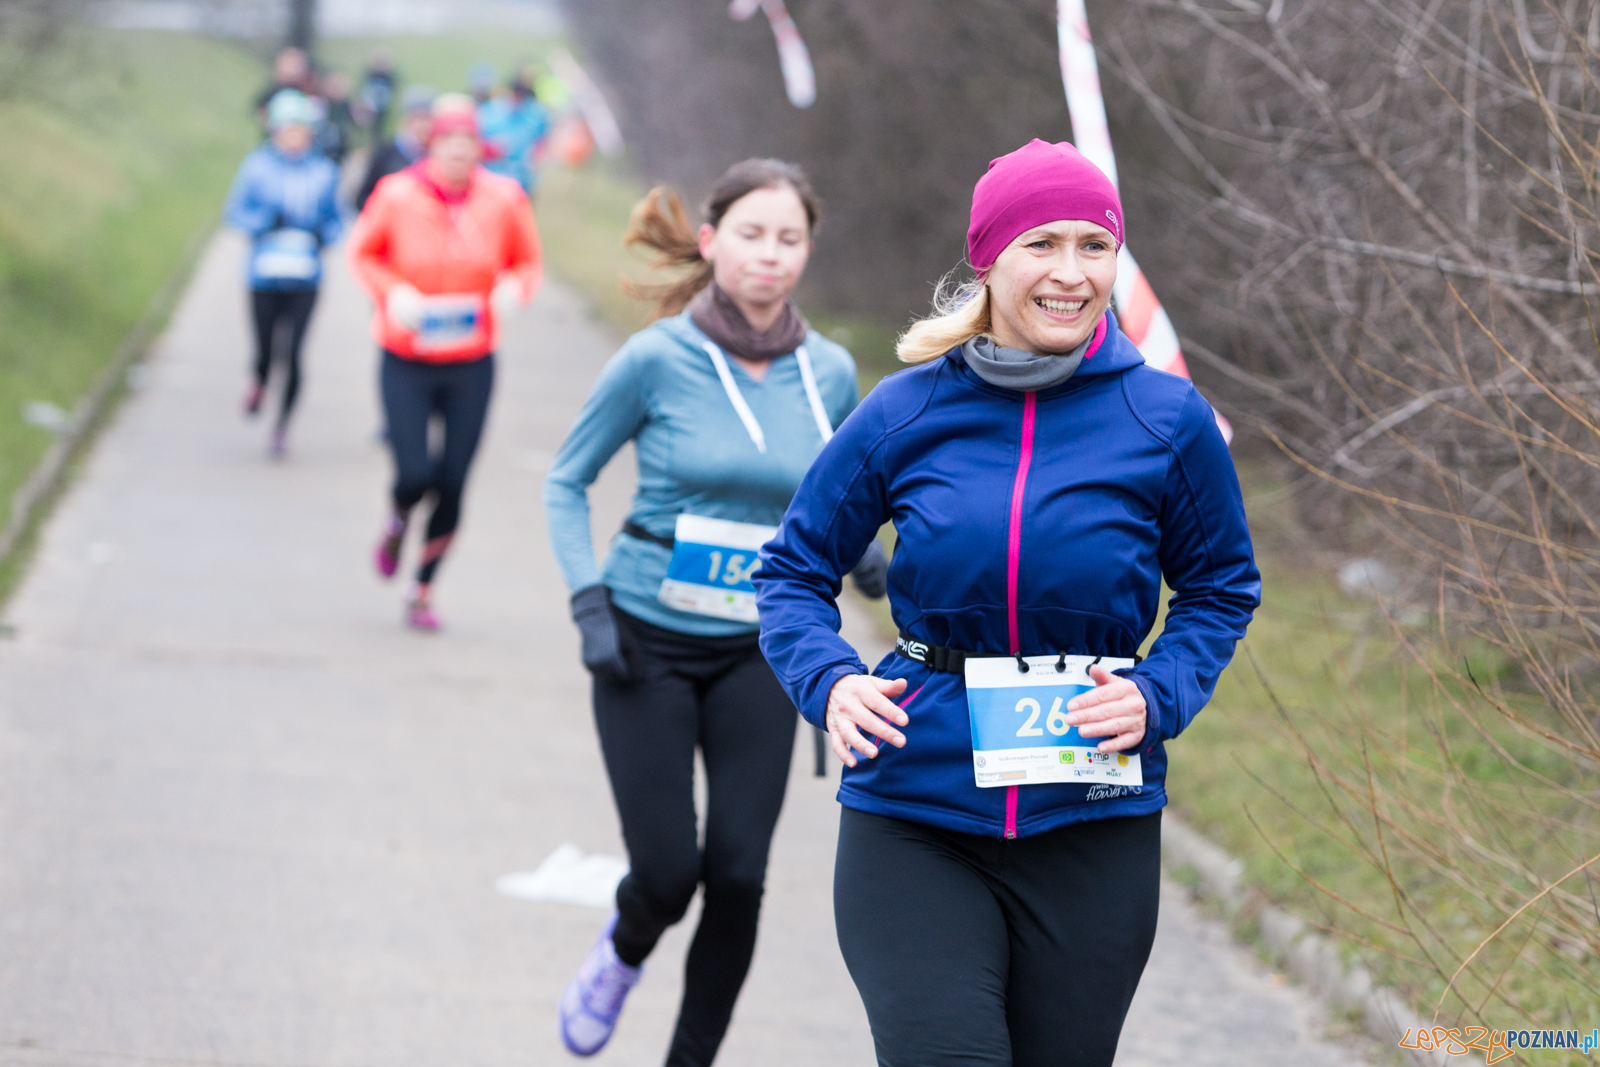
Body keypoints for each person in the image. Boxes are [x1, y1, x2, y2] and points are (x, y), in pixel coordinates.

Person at [754, 139, 1261, 1067]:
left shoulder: (1167, 419)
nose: (1071, 273)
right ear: (990, 259)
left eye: (1093, 246)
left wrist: (1160, 692)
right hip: (917, 811)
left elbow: (1222, 587)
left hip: (1093, 821)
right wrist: (827, 681)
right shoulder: (906, 410)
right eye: (1042, 244)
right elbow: (791, 570)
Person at [543, 160, 887, 1065]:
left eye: (789, 238)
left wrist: (876, 562)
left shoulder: (831, 373)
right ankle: (623, 952)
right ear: (710, 242)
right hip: (643, 641)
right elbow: (565, 480)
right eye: (751, 233)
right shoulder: (657, 358)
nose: (769, 256)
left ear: (807, 251)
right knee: (667, 872)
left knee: (738, 875)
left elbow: (840, 504)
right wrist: (589, 604)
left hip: (765, 650)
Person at [347, 94, 542, 631]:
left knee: (454, 479)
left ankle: (423, 588)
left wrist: (513, 288)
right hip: (406, 355)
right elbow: (362, 253)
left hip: (470, 361)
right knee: (415, 473)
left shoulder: (505, 198)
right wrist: (393, 294)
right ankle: (398, 517)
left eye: (468, 143)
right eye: (448, 142)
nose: (459, 152)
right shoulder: (396, 193)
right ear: (431, 144)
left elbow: (527, 261)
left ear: (481, 148)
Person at [224, 89, 343, 458]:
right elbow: (235, 214)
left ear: (310, 132)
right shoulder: (256, 167)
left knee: (293, 354)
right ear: (275, 131)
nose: (294, 136)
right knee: (264, 350)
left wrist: (325, 235)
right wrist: (264, 223)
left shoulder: (325, 171)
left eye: (301, 129)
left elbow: (339, 220)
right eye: (287, 129)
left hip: (306, 275)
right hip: (264, 274)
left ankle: (281, 428)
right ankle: (258, 380)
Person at [355, 84, 435, 212]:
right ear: (405, 119)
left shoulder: (435, 155)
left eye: (428, 118)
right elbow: (362, 199)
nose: (423, 125)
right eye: (417, 118)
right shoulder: (385, 152)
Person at [479, 70, 550, 197]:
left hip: (522, 178)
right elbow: (477, 141)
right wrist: (491, 148)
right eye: (515, 95)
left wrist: (536, 156)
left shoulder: (536, 114)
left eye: (522, 97)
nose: (518, 101)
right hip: (493, 175)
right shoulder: (489, 112)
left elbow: (543, 138)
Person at [254, 47, 312, 129]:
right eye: (290, 64)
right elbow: (261, 116)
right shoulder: (270, 93)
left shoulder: (312, 90)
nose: (293, 69)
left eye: (296, 64)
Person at [357, 49, 397, 137]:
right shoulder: (369, 75)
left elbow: (393, 90)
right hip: (370, 106)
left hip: (383, 106)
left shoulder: (389, 76)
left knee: (380, 127)